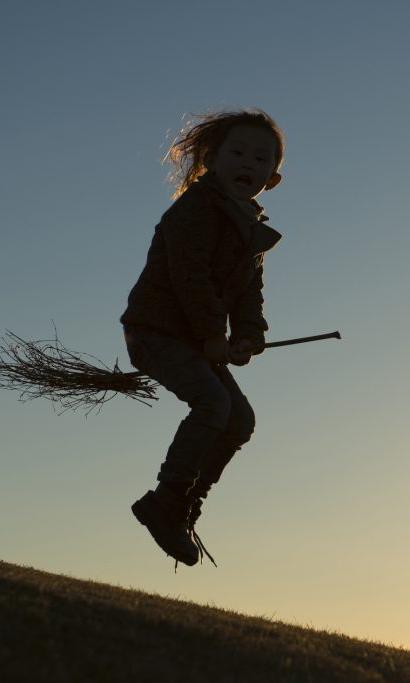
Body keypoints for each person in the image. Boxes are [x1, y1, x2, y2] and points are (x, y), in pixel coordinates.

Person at [120, 109, 284, 567]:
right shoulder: (193, 210)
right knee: (213, 404)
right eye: (237, 152)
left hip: (193, 339)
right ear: (212, 159)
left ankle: (184, 506)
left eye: (260, 158)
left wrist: (248, 335)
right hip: (156, 331)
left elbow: (251, 294)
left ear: (272, 178)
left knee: (239, 421)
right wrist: (214, 334)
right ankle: (167, 501)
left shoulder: (250, 230)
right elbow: (189, 277)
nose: (247, 163)